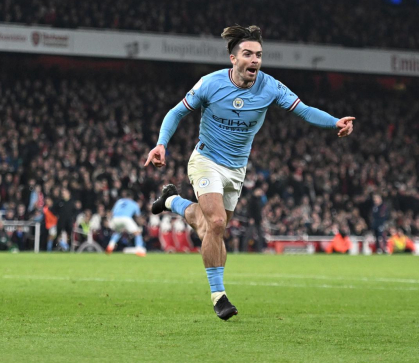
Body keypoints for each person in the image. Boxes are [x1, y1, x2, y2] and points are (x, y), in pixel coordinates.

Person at [145, 25, 355, 320]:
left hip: (236, 170)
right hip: (206, 160)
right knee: (216, 222)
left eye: (258, 54)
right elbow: (176, 112)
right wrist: (160, 145)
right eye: (248, 54)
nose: (255, 59)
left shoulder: (270, 87)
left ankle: (170, 201)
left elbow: (304, 110)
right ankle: (219, 296)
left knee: (208, 227)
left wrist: (335, 122)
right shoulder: (210, 83)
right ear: (233, 59)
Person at [106, 191, 146, 257]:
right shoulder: (134, 203)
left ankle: (110, 247)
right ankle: (139, 250)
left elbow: (112, 212)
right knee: (137, 232)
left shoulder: (119, 201)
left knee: (117, 232)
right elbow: (138, 216)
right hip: (126, 218)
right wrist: (141, 224)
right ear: (132, 197)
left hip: (115, 219)